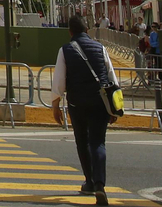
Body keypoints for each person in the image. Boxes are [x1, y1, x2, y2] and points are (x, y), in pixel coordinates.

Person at [50, 13, 120, 205]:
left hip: (77, 104)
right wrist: (113, 108)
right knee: (98, 142)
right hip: (100, 103)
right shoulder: (101, 48)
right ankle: (100, 185)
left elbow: (59, 81)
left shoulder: (65, 50)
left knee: (82, 142)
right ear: (87, 30)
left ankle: (88, 181)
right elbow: (111, 77)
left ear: (70, 32)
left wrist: (55, 105)